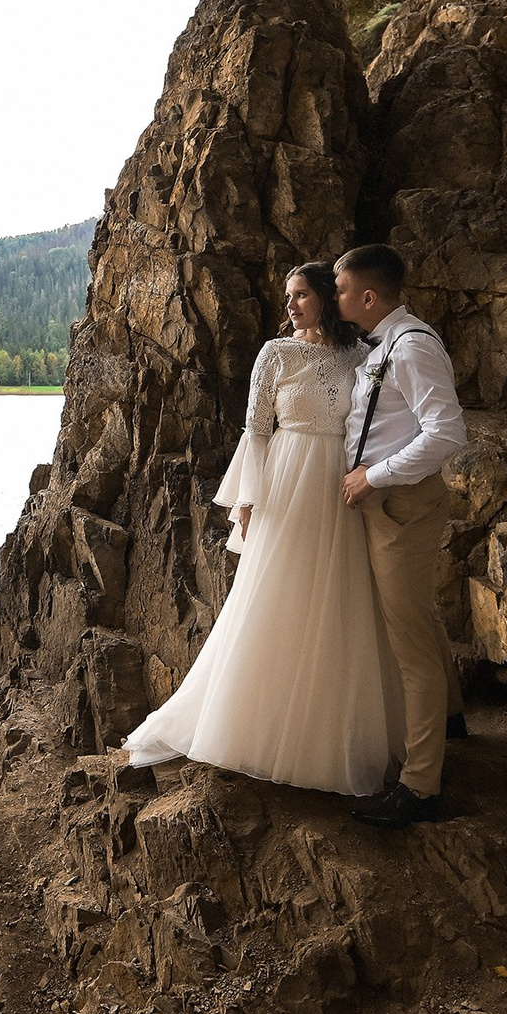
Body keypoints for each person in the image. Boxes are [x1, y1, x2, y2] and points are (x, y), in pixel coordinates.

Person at [121, 263, 405, 795]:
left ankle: (325, 734)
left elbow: (372, 422)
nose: (291, 305)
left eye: (301, 295)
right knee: (275, 596)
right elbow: (255, 432)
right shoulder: (275, 354)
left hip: (337, 486)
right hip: (285, 482)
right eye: (287, 296)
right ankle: (250, 725)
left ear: (326, 297)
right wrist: (247, 500)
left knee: (338, 601)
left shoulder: (360, 357)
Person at [334, 243, 469, 828]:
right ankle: (453, 720)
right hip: (392, 502)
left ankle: (420, 788)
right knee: (418, 614)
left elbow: (447, 433)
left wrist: (375, 475)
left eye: (340, 289)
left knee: (408, 643)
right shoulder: (384, 343)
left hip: (401, 505)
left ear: (368, 296)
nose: (336, 298)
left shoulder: (412, 346)